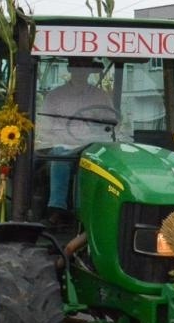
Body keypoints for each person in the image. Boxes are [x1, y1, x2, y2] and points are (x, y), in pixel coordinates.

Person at [36, 58, 118, 218]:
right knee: (60, 158)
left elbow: (111, 122)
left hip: (91, 146)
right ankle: (57, 209)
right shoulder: (55, 96)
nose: (81, 71)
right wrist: (63, 135)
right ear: (70, 69)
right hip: (63, 144)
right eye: (77, 67)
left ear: (89, 70)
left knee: (92, 163)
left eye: (85, 67)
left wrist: (98, 122)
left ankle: (85, 211)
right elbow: (45, 126)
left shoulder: (100, 96)